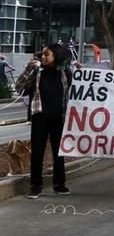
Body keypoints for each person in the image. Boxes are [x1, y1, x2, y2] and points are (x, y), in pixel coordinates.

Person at [15, 44, 73, 199]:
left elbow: (78, 88)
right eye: (42, 54)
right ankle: (35, 186)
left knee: (59, 153)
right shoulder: (36, 72)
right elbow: (19, 88)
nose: (43, 57)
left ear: (56, 56)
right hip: (40, 116)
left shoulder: (65, 73)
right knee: (37, 152)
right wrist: (28, 70)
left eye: (47, 54)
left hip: (59, 118)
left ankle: (59, 185)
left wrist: (81, 71)